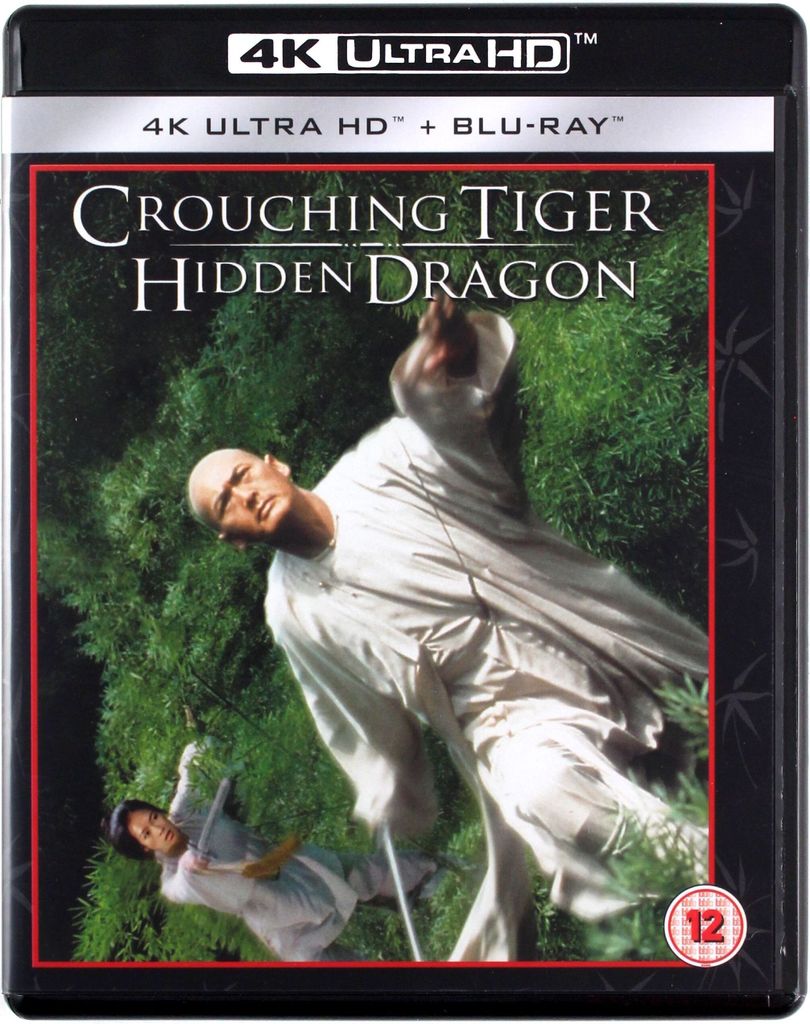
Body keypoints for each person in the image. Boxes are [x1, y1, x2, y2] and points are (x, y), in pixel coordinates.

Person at [187, 296, 708, 961]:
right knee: (547, 794)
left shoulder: (380, 465)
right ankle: (705, 865)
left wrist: (455, 358)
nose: (244, 494)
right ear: (233, 538)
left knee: (722, 718)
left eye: (241, 475)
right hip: (497, 717)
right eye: (226, 504)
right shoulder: (291, 610)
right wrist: (385, 787)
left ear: (274, 464)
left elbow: (453, 418)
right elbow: (348, 710)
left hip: (562, 631)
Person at [105, 742, 438, 962]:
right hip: (273, 911)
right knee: (321, 966)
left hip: (288, 865)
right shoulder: (173, 880)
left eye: (153, 817)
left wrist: (195, 751)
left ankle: (430, 874)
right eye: (146, 833)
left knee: (359, 873)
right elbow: (181, 886)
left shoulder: (184, 811)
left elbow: (189, 772)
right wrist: (189, 866)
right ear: (144, 848)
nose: (158, 828)